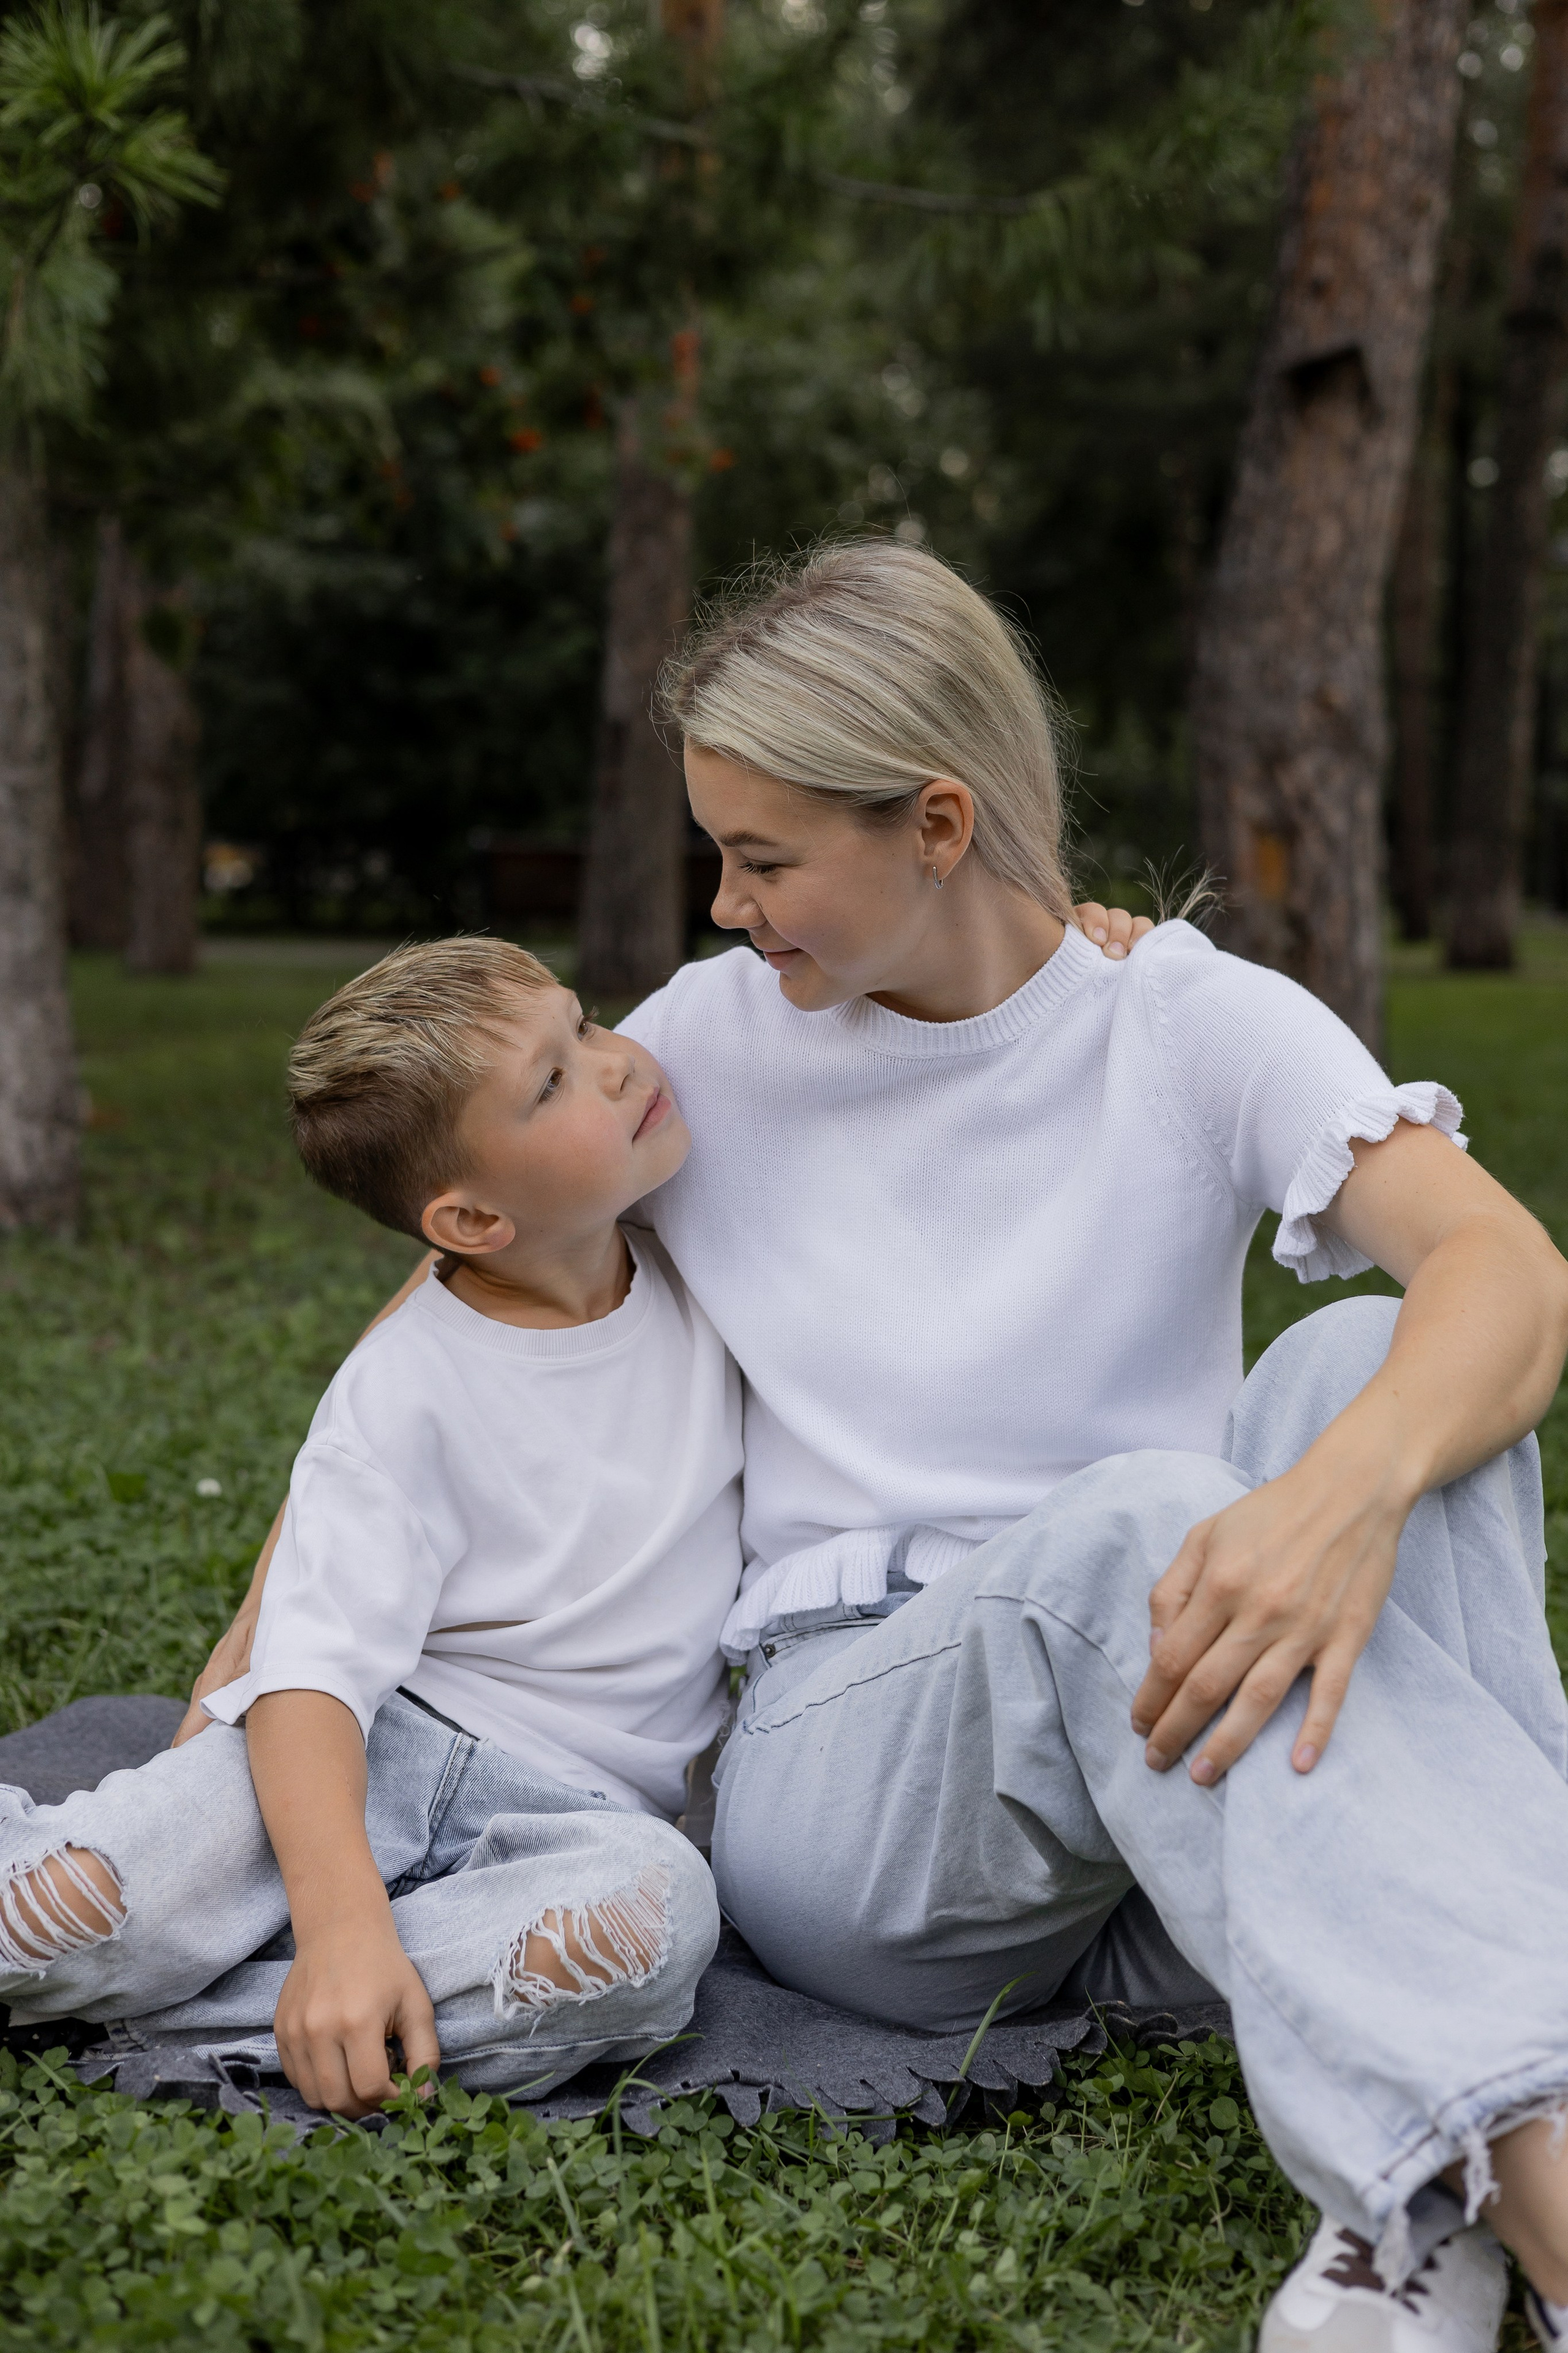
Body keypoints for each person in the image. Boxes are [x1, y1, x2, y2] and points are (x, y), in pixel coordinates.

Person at [189, 537, 1568, 2353]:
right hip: (861, 1803)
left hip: (1167, 1785)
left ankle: (1427, 2186)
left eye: (763, 858)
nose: (722, 907)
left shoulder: (1184, 1023)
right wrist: (248, 1696)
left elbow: (1509, 1266)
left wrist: (1342, 1494)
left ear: (936, 821)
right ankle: (1545, 2200)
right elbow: (413, 1356)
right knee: (1146, 1519)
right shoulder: (697, 1057)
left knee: (1377, 1363)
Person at [0, 939, 731, 2119]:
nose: (613, 1063)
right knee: (62, 1914)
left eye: (585, 1025)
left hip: (575, 1814)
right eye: (551, 1081)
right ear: (472, 1216)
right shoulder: (404, 1387)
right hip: (362, 1754)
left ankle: (249, 2000)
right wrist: (340, 1914)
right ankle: (283, 1972)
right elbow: (312, 1680)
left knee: (646, 1932)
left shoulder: (714, 1275)